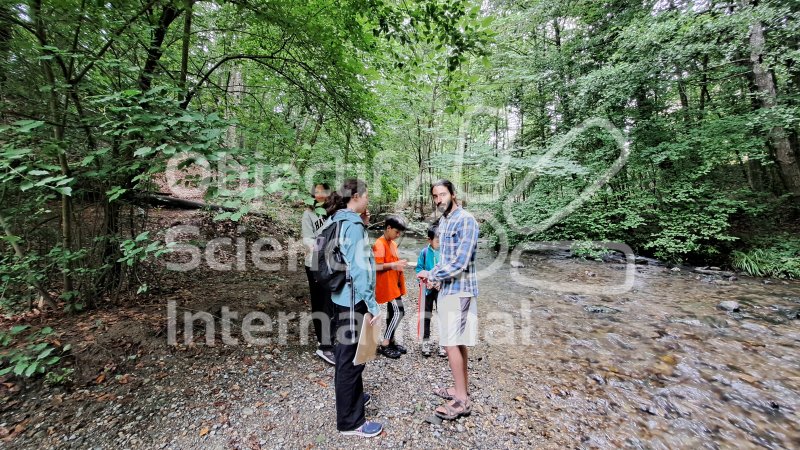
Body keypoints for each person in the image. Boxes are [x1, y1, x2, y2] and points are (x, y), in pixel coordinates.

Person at [321, 179, 384, 437]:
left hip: (338, 298)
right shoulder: (352, 225)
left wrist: (364, 225)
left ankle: (354, 397)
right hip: (353, 301)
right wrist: (373, 305)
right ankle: (351, 422)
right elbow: (360, 270)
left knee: (348, 355)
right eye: (366, 195)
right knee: (350, 360)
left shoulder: (335, 219)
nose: (368, 199)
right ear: (356, 196)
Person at [416, 179, 479, 421]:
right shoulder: (444, 221)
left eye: (442, 194)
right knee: (456, 341)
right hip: (447, 289)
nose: (438, 200)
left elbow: (461, 262)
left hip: (461, 291)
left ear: (452, 194)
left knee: (451, 342)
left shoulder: (466, 220)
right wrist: (436, 279)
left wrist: (431, 274)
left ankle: (461, 401)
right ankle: (459, 389)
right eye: (435, 196)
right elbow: (445, 259)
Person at [301, 183, 336, 365]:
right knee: (320, 302)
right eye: (317, 191)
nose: (321, 194)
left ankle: (330, 338)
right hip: (314, 262)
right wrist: (322, 247)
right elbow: (307, 238)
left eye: (324, 190)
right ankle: (323, 344)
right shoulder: (309, 214)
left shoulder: (332, 211)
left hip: (331, 262)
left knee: (331, 300)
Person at [373, 215, 408, 359]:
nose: (398, 235)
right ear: (388, 228)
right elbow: (375, 266)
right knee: (399, 312)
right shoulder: (380, 243)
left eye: (400, 232)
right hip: (386, 286)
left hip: (395, 284)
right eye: (397, 232)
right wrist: (393, 265)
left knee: (393, 313)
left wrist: (399, 265)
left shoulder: (392, 243)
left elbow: (394, 262)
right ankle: (385, 343)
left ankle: (391, 340)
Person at [415, 223, 445, 358]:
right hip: (427, 290)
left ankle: (443, 343)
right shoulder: (424, 252)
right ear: (429, 240)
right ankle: (426, 341)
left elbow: (448, 271)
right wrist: (427, 280)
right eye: (438, 241)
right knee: (426, 315)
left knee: (443, 316)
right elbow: (418, 270)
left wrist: (440, 281)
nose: (440, 243)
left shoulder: (445, 253)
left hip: (441, 289)